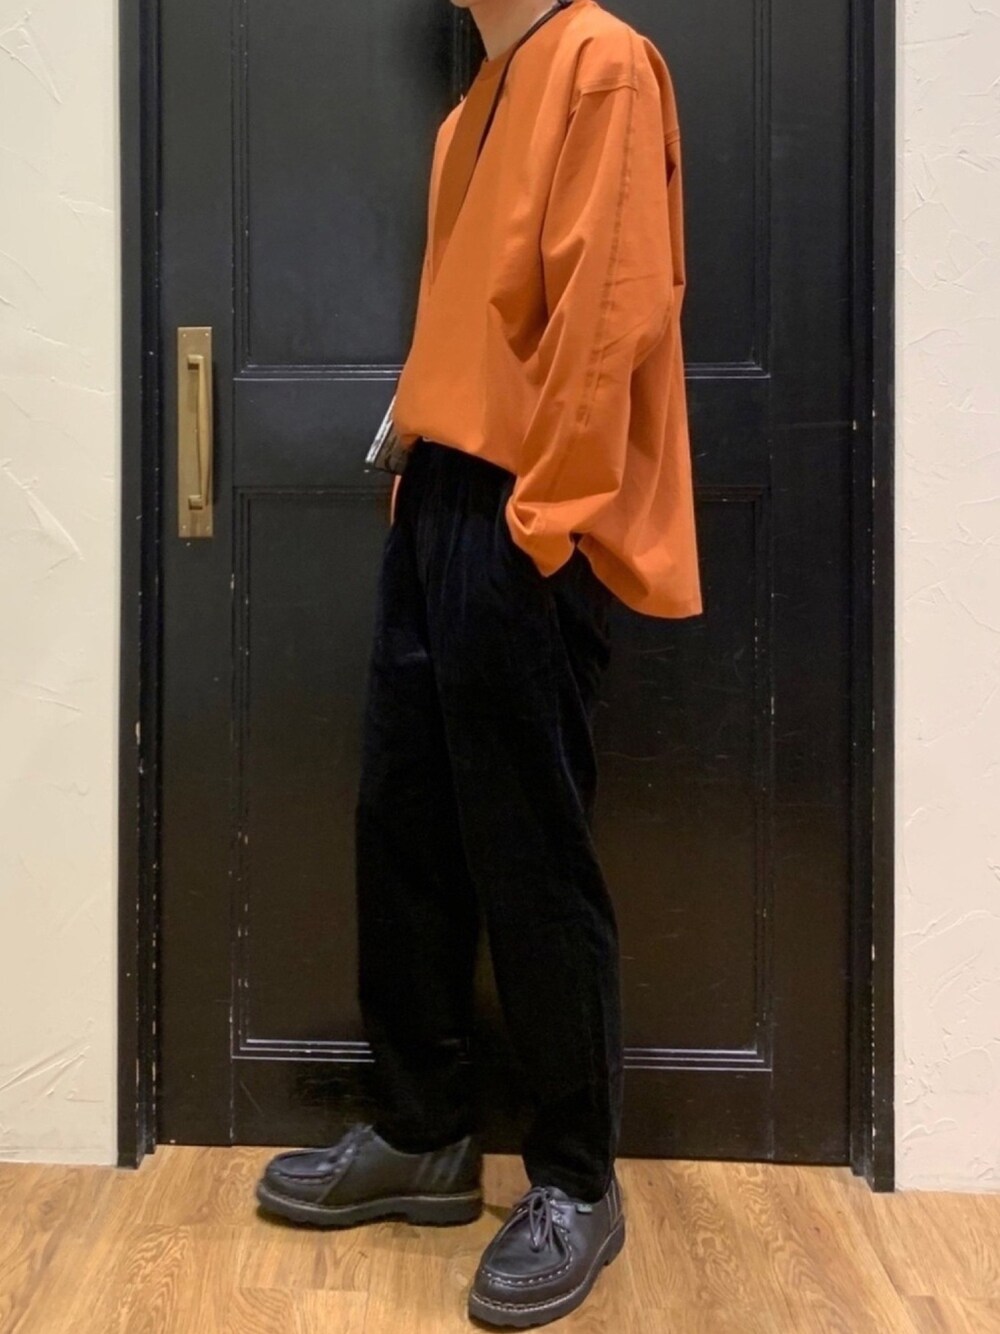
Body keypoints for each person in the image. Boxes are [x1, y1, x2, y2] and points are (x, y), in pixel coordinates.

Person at [255, 0, 702, 1325]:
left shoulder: (602, 62)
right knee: (404, 824)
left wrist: (543, 520)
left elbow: (613, 313)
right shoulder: (467, 114)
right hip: (441, 499)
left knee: (529, 845)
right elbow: (459, 327)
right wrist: (417, 476)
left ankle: (574, 1177)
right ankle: (424, 1132)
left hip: (522, 512)